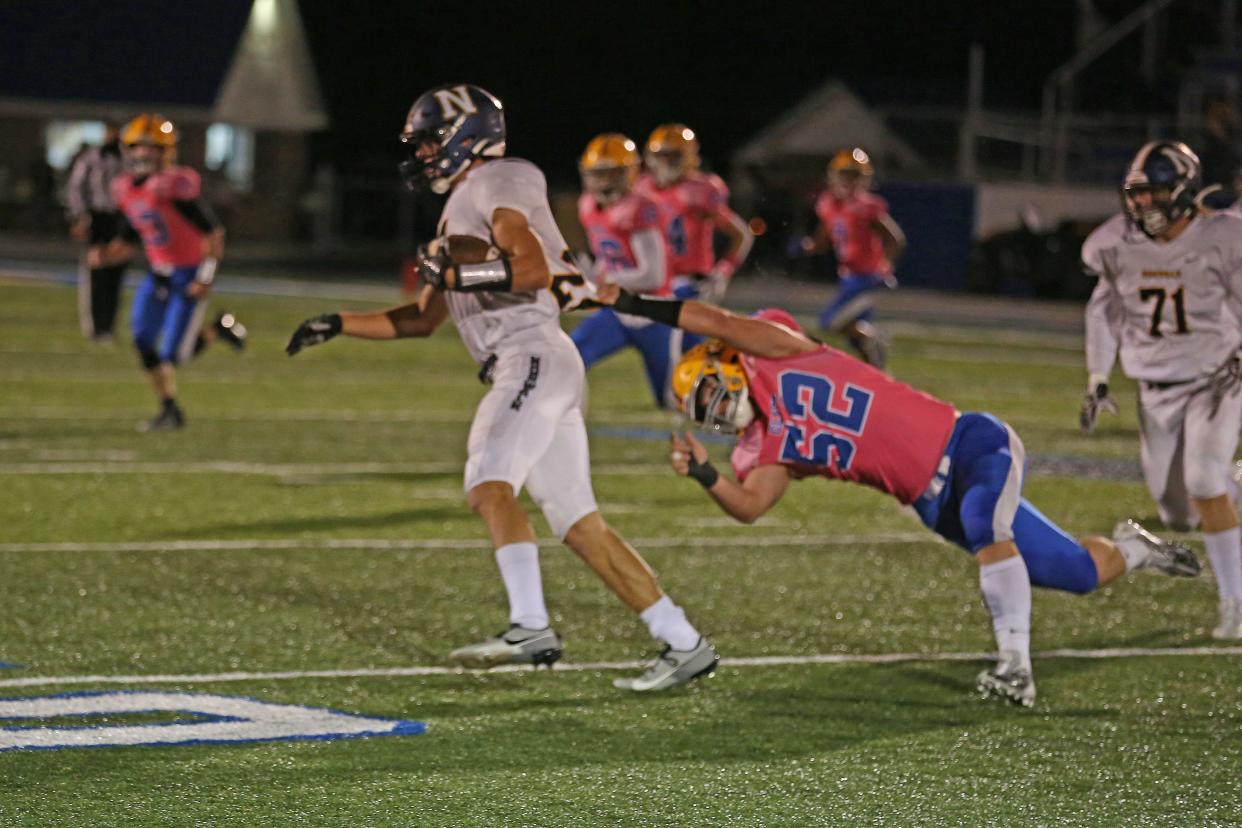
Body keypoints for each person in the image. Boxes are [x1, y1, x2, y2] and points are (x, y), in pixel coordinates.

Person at [285, 84, 717, 691]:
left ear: (467, 134)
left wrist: (457, 268)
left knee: (488, 483)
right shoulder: (461, 205)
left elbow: (533, 268)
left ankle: (530, 624)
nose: (426, 153)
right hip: (537, 362)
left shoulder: (499, 178)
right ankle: (682, 639)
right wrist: (337, 324)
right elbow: (421, 319)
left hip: (530, 355)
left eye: (433, 140)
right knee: (577, 521)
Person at [595, 288, 1200, 707]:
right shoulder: (766, 444)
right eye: (704, 413)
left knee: (987, 528)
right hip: (930, 501)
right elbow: (751, 505)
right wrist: (705, 475)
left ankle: (1015, 668)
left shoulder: (779, 351)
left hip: (968, 443)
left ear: (728, 368)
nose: (715, 415)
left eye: (709, 396)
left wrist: (631, 304)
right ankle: (1137, 550)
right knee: (1074, 573)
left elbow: (719, 322)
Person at [1080, 140, 1242, 641]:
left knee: (1202, 479)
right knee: (1178, 511)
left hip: (1218, 377)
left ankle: (1234, 603)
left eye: (1157, 192)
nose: (1146, 204)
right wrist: (1098, 376)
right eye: (1139, 194)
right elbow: (1102, 310)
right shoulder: (1114, 244)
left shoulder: (1222, 237)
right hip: (1155, 391)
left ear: (1187, 191)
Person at [94, 114, 245, 431]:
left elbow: (213, 233)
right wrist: (106, 254)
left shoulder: (174, 185)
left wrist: (206, 277)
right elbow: (133, 235)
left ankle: (220, 328)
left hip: (188, 273)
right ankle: (169, 409)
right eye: (139, 147)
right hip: (158, 273)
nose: (145, 154)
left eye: (153, 148)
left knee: (175, 355)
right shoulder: (126, 188)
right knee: (142, 338)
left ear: (167, 152)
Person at [571, 133, 688, 407]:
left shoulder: (638, 207)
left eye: (612, 174)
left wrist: (606, 279)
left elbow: (653, 275)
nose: (604, 182)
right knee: (570, 356)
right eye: (599, 174)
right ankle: (569, 415)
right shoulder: (587, 205)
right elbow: (605, 257)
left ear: (629, 173)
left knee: (670, 400)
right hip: (617, 308)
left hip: (653, 312)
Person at [798, 148, 905, 368]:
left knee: (829, 321)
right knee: (856, 336)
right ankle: (879, 377)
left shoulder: (866, 206)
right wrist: (812, 245)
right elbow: (827, 233)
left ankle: (874, 337)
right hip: (849, 276)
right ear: (834, 176)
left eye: (855, 176)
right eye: (845, 174)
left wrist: (885, 267)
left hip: (866, 277)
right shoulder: (829, 204)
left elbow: (895, 238)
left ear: (864, 180)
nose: (849, 181)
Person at [634, 124, 752, 304]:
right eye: (661, 155)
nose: (666, 162)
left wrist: (723, 272)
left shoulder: (700, 189)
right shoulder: (641, 187)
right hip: (653, 279)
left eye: (674, 156)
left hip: (689, 281)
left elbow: (742, 234)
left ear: (690, 157)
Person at [65, 122, 129, 342]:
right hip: (98, 218)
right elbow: (75, 187)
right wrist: (78, 216)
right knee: (95, 272)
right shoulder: (91, 157)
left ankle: (109, 327)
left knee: (116, 273)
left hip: (120, 219)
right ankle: (95, 326)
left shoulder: (128, 159)